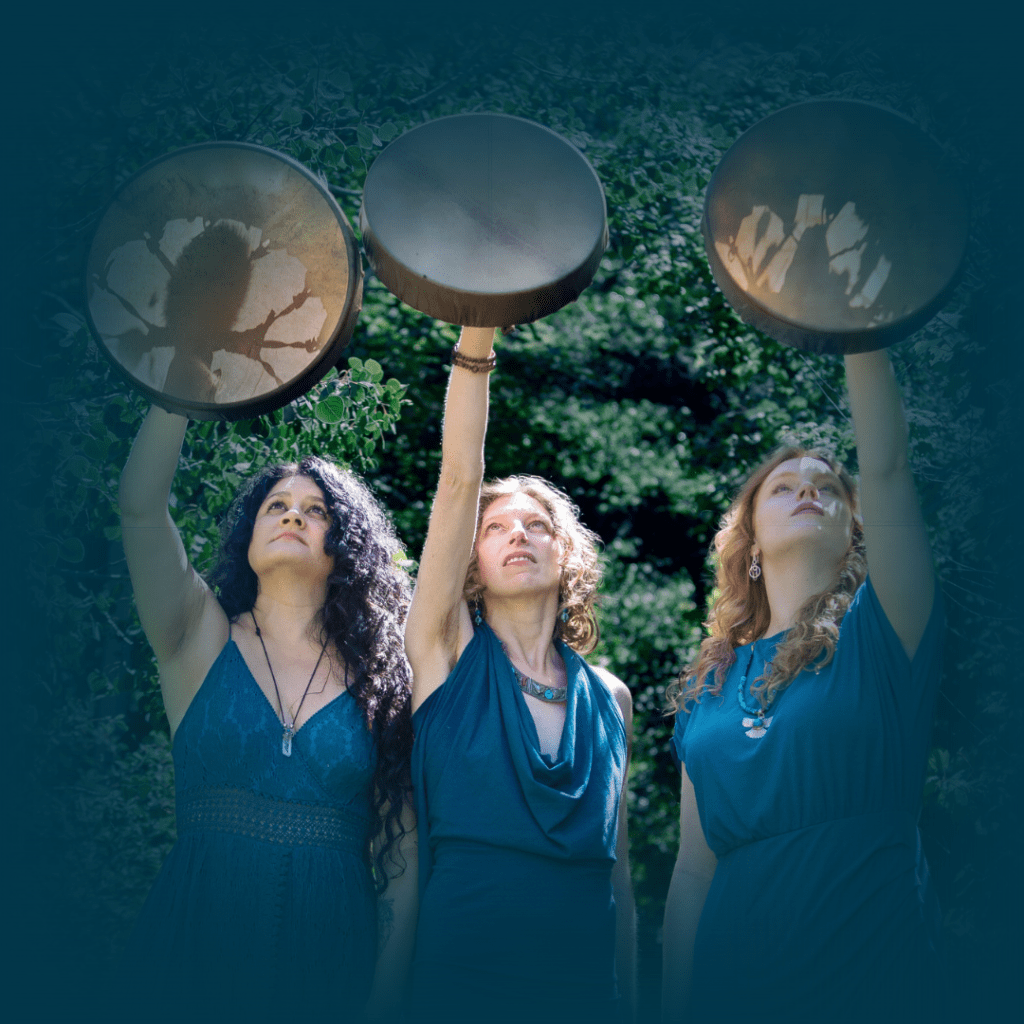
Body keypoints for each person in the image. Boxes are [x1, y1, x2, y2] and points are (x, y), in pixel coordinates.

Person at [661, 349, 945, 1023]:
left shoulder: (886, 632)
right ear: (751, 546)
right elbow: (693, 871)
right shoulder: (707, 686)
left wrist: (859, 333)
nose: (808, 491)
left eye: (827, 487)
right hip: (733, 978)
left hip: (871, 964)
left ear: (856, 532)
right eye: (783, 487)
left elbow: (887, 467)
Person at [116, 406, 417, 1022]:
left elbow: (404, 860)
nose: (292, 516)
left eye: (316, 511)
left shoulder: (384, 678)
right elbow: (141, 510)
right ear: (248, 537)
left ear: (345, 547)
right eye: (275, 506)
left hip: (332, 951)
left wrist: (384, 999)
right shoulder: (196, 636)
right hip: (197, 933)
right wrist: (179, 390)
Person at [404, 326, 636, 1024]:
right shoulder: (444, 651)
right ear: (470, 563)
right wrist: (479, 331)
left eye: (538, 526)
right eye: (496, 527)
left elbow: (618, 877)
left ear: (569, 557)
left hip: (584, 987)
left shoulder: (612, 700)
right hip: (463, 975)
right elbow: (456, 484)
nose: (517, 535)